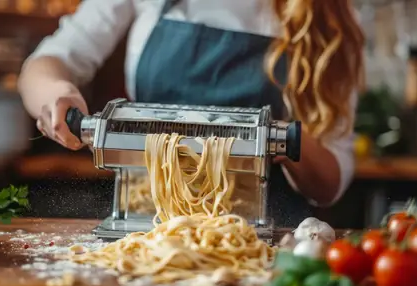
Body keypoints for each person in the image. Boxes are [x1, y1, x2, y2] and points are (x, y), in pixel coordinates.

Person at [18, 0, 364, 226]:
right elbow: (51, 61)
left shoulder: (328, 19)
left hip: (265, 236)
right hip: (150, 227)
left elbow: (329, 184)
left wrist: (279, 139)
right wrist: (56, 93)